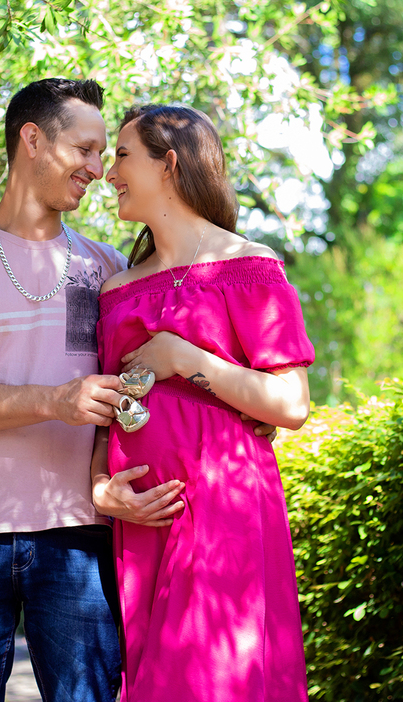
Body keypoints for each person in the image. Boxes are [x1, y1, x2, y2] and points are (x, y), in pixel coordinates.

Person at [0, 78, 184, 702]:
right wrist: (53, 401)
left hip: (79, 539)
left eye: (104, 152)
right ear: (32, 140)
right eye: (85, 149)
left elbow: (145, 391)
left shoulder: (108, 268)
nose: (98, 169)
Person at [91, 104, 315, 701]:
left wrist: (186, 359)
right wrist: (101, 488)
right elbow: (105, 408)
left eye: (121, 155)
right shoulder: (115, 290)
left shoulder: (249, 267)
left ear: (168, 165)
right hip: (141, 522)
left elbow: (291, 404)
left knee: (209, 681)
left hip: (223, 511)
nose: (109, 173)